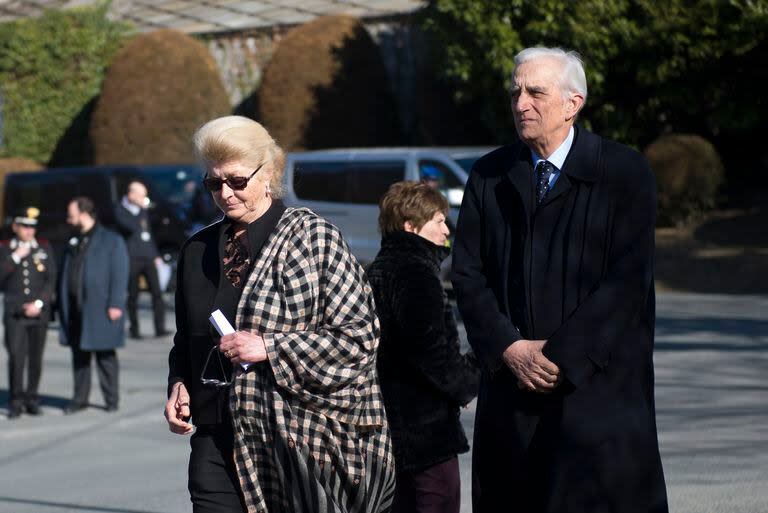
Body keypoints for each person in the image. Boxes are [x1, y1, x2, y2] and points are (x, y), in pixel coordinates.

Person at [451, 47, 668, 513]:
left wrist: (558, 357)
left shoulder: (623, 172)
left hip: (595, 395)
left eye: (535, 92)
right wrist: (510, 348)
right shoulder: (489, 175)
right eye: (515, 93)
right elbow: (467, 274)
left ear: (573, 103)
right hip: (511, 394)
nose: (521, 103)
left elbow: (626, 281)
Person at [164, 115, 394, 513]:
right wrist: (179, 383)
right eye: (213, 183)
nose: (225, 193)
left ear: (267, 173)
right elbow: (186, 339)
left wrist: (270, 347)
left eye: (237, 181)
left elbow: (360, 337)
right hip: (215, 435)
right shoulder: (196, 250)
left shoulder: (314, 239)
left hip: (298, 437)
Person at [367, 181, 479, 513]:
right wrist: (471, 376)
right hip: (424, 432)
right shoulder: (414, 272)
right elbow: (431, 352)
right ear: (411, 226)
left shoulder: (381, 268)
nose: (447, 227)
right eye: (439, 220)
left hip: (390, 430)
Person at [58, 197, 130, 414]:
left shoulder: (111, 239)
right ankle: (79, 398)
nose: (68, 218)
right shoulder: (74, 239)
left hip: (101, 306)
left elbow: (120, 273)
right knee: (79, 355)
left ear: (83, 213)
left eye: (71, 213)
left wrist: (116, 303)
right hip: (76, 307)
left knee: (105, 355)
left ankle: (111, 399)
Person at [0, 207, 56, 418]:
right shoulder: (5, 248)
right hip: (15, 314)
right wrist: (14, 258)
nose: (29, 231)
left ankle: (32, 398)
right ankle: (16, 399)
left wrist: (40, 303)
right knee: (16, 357)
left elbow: (51, 278)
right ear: (15, 227)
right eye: (25, 226)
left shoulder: (43, 247)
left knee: (35, 358)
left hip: (38, 312)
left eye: (32, 227)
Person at [114, 180, 168, 338]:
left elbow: (148, 233)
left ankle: (160, 327)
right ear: (131, 195)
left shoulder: (142, 211)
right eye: (141, 196)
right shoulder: (121, 210)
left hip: (148, 256)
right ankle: (134, 329)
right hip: (132, 257)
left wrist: (156, 254)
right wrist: (141, 210)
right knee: (133, 294)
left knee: (157, 293)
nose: (144, 199)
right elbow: (130, 227)